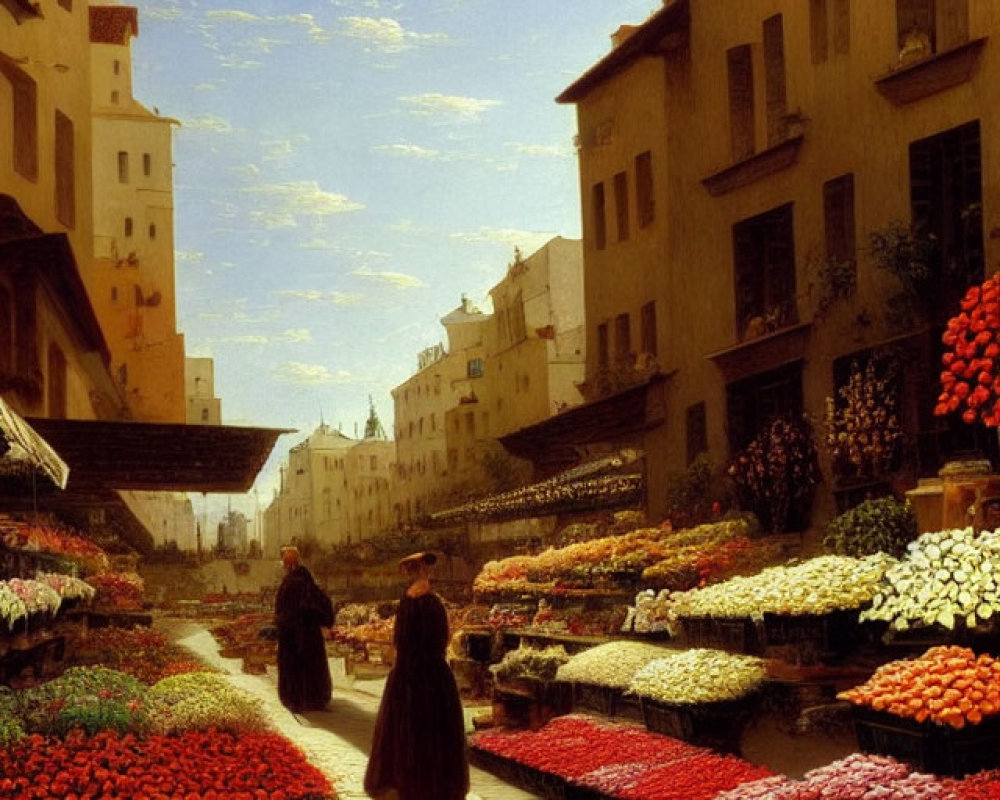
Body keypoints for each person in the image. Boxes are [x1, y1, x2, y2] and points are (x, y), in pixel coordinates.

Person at [364, 551, 469, 800]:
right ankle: (434, 784)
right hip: (432, 674)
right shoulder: (432, 602)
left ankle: (406, 781)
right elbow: (442, 638)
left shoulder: (406, 601)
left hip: (407, 674)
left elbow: (399, 639)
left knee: (407, 729)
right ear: (426, 572)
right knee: (433, 728)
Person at [274, 545, 334, 712]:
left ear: (288, 563)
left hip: (294, 632)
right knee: (310, 665)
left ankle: (296, 699)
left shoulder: (292, 583)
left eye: (285, 561)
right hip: (308, 632)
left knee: (295, 665)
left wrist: (282, 623)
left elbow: (286, 610)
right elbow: (323, 605)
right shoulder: (307, 581)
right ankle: (314, 699)